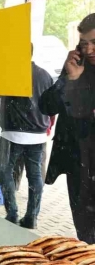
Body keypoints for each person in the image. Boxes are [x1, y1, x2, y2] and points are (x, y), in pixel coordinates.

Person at [39, 13, 95, 243]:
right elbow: (47, 106)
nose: (89, 49)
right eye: (84, 44)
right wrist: (70, 79)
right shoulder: (77, 68)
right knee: (86, 235)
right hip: (78, 164)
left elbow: (83, 110)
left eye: (94, 42)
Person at [0, 45, 54, 229]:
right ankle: (31, 217)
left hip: (12, 134)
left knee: (5, 171)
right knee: (35, 177)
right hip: (38, 135)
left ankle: (12, 214)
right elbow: (52, 105)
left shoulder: (12, 73)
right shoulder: (45, 75)